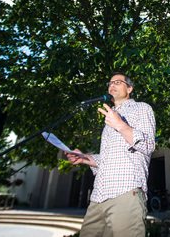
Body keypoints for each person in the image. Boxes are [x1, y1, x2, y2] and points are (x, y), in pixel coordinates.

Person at [66, 72, 156, 237]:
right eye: (110, 82)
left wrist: (120, 125)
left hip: (125, 192)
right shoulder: (110, 118)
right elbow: (108, 159)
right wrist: (85, 158)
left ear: (129, 88)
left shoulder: (142, 108)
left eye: (118, 82)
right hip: (98, 197)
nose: (112, 85)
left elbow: (149, 145)